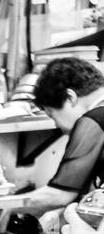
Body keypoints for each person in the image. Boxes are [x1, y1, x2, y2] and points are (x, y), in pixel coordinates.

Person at [21, 58, 104, 219]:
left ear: (70, 97)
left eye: (52, 115)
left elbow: (60, 194)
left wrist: (7, 206)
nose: (58, 127)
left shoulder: (94, 120)